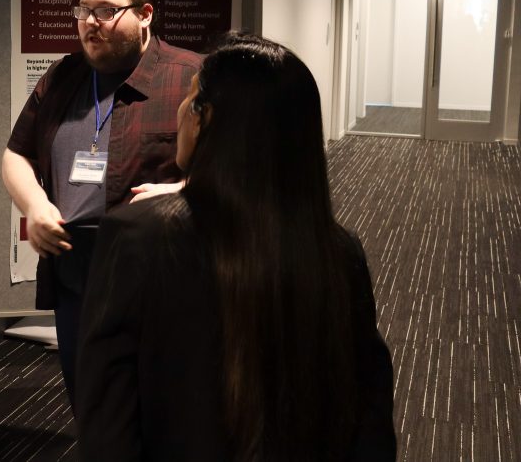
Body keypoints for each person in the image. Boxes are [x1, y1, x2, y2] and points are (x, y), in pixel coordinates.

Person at [76, 32, 396, 460]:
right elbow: (369, 410)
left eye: (190, 100)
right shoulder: (338, 251)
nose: (181, 111)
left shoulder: (137, 239)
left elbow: (107, 420)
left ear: (205, 120)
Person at [2, 0, 201, 405]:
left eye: (107, 10)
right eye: (84, 11)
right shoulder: (62, 78)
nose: (91, 22)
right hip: (76, 269)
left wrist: (184, 192)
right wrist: (34, 205)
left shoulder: (191, 77)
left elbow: (242, 166)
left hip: (160, 275)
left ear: (145, 14)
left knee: (160, 406)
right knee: (88, 397)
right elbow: (16, 154)